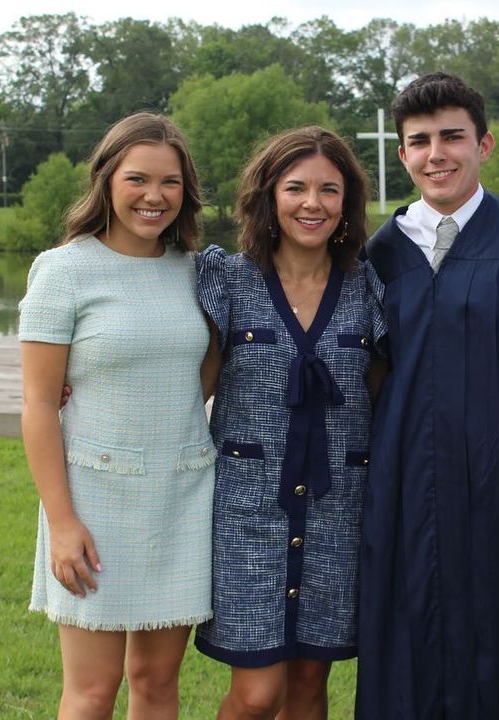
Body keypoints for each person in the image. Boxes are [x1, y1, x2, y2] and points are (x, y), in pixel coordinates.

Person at [357, 72, 499, 719]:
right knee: (409, 642)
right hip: (406, 488)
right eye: (420, 141)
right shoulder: (378, 254)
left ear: (485, 144)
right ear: (402, 154)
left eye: (452, 137)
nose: (436, 154)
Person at [19, 112, 214, 719]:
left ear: (186, 191)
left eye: (170, 182)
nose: (155, 196)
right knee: (92, 691)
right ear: (106, 179)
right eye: (138, 179)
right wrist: (62, 522)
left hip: (183, 498)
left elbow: (201, 376)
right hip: (94, 503)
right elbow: (38, 405)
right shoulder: (63, 270)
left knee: (156, 682)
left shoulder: (195, 271)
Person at [192, 126, 385, 720]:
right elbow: (185, 383)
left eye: (329, 190)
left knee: (307, 688)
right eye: (296, 188)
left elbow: (387, 395)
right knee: (257, 696)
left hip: (337, 517)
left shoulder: (367, 288)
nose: (312, 203)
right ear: (269, 195)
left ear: (346, 202)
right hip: (247, 516)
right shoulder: (228, 279)